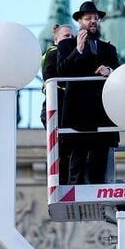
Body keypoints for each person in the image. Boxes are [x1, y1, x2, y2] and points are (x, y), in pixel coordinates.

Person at [57, 1, 120, 185]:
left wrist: (109, 71)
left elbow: (120, 72)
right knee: (77, 163)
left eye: (95, 18)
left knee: (99, 167)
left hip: (102, 113)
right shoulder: (66, 46)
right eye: (88, 18)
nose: (93, 21)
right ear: (79, 21)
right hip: (79, 115)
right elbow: (61, 72)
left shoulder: (109, 49)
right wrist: (78, 50)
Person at [41, 24, 75, 184]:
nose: (70, 39)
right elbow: (51, 76)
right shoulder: (53, 53)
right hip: (57, 108)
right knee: (60, 149)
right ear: (56, 39)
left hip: (67, 108)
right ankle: (60, 183)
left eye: (72, 36)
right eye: (66, 36)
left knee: (68, 149)